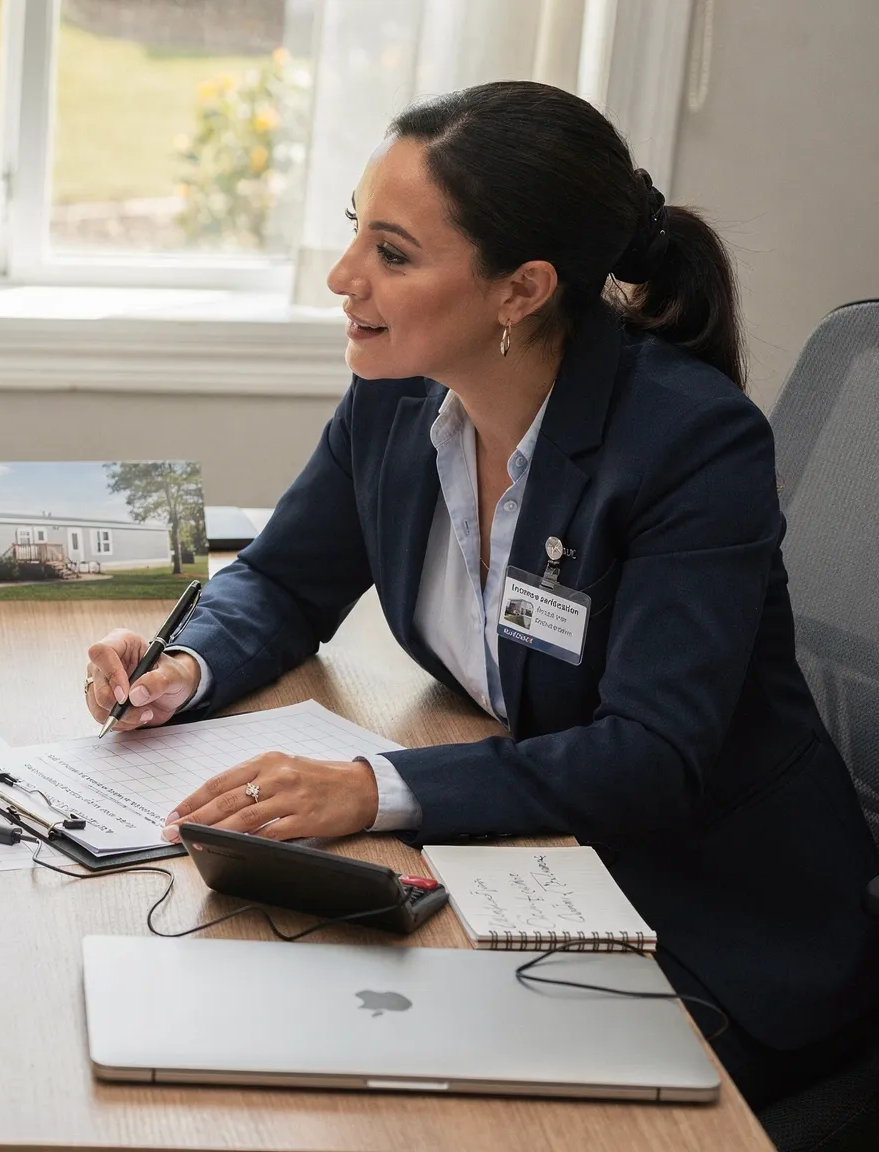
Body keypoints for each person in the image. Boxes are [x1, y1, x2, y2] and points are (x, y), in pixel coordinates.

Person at [83, 81, 879, 1108]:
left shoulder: (688, 443)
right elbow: (283, 579)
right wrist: (181, 668)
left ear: (520, 289)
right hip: (529, 870)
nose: (341, 278)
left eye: (392, 253)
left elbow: (648, 753)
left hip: (705, 922)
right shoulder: (399, 394)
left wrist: (372, 790)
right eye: (352, 234)